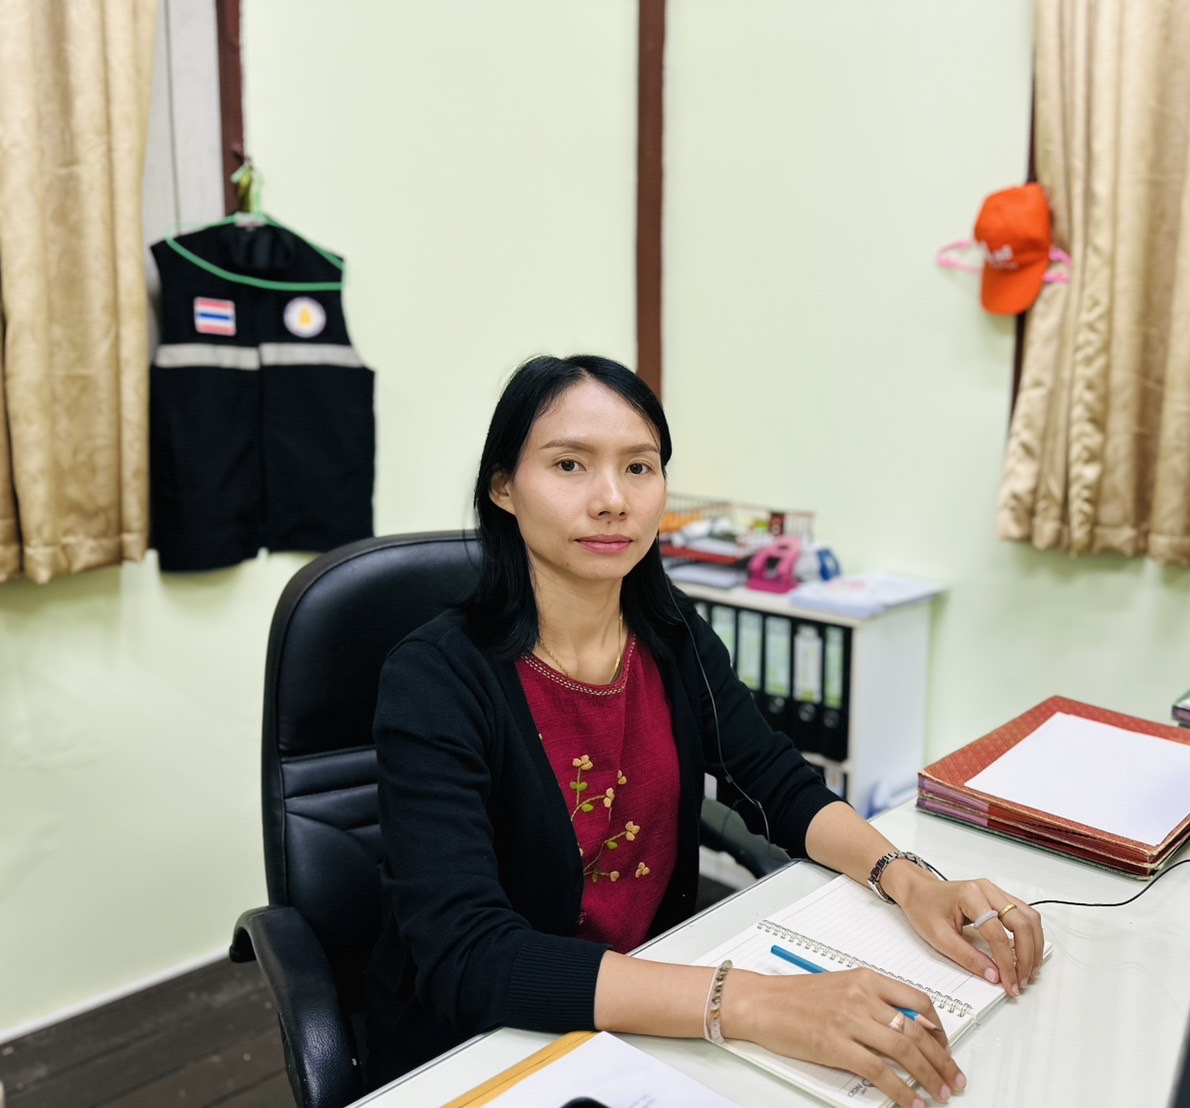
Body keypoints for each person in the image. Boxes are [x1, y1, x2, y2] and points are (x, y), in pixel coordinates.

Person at [363, 354, 1044, 1104]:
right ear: (503, 487)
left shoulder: (669, 633)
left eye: (639, 467)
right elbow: (470, 956)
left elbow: (775, 780)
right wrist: (750, 1003)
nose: (612, 500)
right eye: (569, 465)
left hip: (653, 1006)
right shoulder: (436, 678)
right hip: (489, 1045)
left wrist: (907, 880)